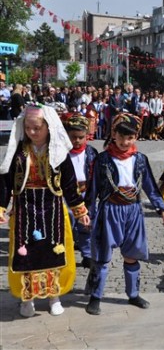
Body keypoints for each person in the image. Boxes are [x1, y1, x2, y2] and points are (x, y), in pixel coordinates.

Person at [0, 103, 90, 317]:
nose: (32, 132)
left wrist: (80, 211)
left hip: (52, 208)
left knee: (53, 252)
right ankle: (26, 298)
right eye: (29, 128)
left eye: (37, 128)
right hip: (24, 208)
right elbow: (5, 182)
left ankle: (53, 297)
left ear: (48, 126)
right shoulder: (18, 152)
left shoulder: (58, 152)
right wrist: (2, 207)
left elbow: (69, 184)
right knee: (25, 254)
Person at [84, 113, 164, 315]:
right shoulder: (102, 160)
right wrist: (87, 213)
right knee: (103, 258)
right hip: (109, 211)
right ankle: (96, 297)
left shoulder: (140, 159)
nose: (125, 142)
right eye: (121, 136)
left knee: (132, 256)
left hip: (133, 212)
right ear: (113, 134)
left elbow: (149, 185)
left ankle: (133, 294)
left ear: (136, 137)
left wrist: (161, 207)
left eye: (130, 137)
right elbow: (93, 189)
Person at [63, 114, 98, 268]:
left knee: (86, 225)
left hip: (86, 193)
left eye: (80, 137)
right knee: (66, 224)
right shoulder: (61, 153)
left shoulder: (91, 153)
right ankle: (63, 253)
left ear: (87, 136)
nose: (76, 141)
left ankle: (87, 254)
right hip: (66, 195)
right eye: (73, 137)